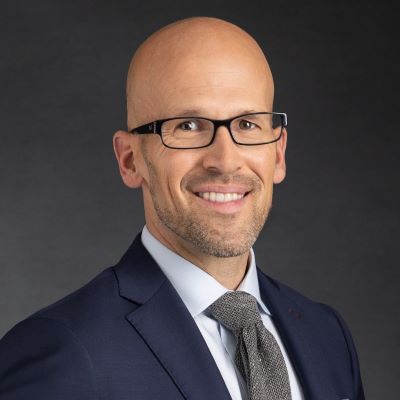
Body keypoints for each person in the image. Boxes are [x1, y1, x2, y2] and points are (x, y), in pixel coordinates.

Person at [0, 17, 364, 400]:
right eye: (188, 126)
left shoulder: (327, 336)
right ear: (129, 160)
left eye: (248, 124)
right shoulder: (61, 353)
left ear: (278, 152)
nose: (225, 160)